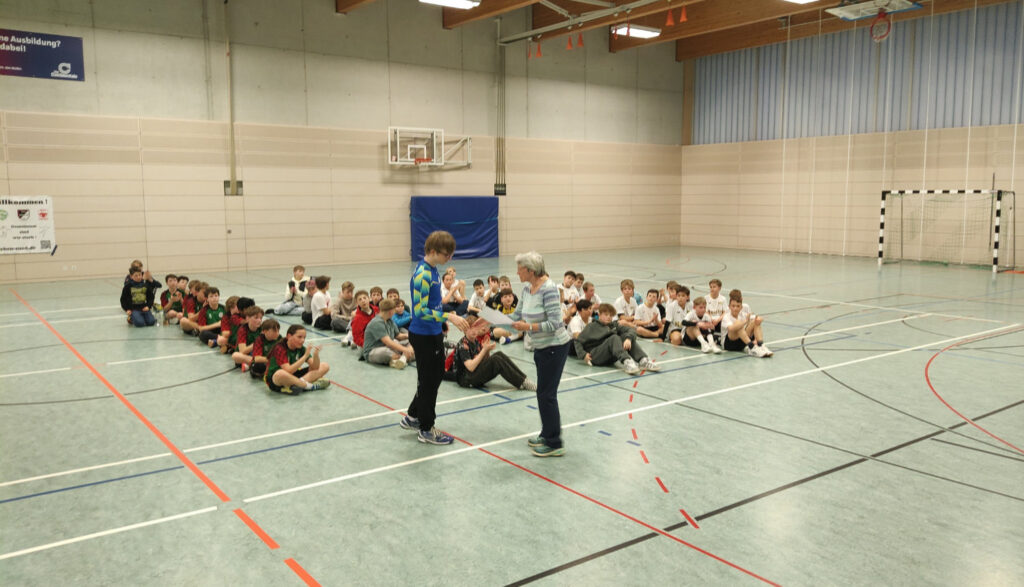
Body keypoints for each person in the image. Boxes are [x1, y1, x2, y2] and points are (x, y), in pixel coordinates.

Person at [400, 230, 469, 446]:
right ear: (432, 251)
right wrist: (449, 315)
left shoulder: (434, 270)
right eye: (445, 254)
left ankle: (413, 415)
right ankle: (426, 429)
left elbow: (433, 305)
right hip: (423, 335)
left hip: (434, 331)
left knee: (436, 375)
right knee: (429, 381)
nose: (448, 258)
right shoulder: (423, 275)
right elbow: (419, 311)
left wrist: (442, 320)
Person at [508, 251, 572, 457]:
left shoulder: (549, 289)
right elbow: (516, 315)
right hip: (541, 348)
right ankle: (547, 433)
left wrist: (528, 326)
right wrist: (489, 321)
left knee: (547, 395)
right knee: (542, 393)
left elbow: (555, 323)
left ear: (530, 270)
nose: (517, 272)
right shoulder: (527, 288)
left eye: (520, 268)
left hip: (555, 347)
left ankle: (555, 443)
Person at [574, 303, 662, 375]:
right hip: (596, 356)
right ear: (599, 315)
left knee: (625, 336)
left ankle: (643, 360)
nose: (609, 317)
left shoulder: (613, 325)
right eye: (606, 315)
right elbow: (577, 341)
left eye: (611, 315)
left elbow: (631, 330)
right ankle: (627, 361)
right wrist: (583, 355)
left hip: (610, 357)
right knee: (614, 337)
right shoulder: (591, 326)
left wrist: (628, 339)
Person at [451, 317, 536, 391]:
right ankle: (521, 382)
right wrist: (484, 350)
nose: (474, 331)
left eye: (476, 328)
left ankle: (524, 380)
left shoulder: (475, 341)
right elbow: (471, 367)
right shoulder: (463, 345)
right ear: (465, 330)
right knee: (496, 360)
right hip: (466, 379)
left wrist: (487, 350)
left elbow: (484, 361)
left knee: (498, 354)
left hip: (472, 374)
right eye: (470, 329)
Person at [265, 324, 332, 394]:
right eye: (299, 337)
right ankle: (309, 386)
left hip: (293, 377)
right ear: (289, 336)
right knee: (279, 374)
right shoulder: (280, 348)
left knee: (324, 366)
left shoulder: (301, 348)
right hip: (276, 381)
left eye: (304, 337)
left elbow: (315, 367)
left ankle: (297, 385)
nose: (303, 340)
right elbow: (288, 371)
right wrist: (305, 356)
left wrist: (316, 356)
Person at [362, 299, 415, 369]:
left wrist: (410, 336)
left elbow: (398, 336)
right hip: (373, 350)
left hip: (389, 347)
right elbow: (388, 342)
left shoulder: (390, 320)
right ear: (390, 311)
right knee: (385, 352)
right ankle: (404, 357)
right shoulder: (377, 323)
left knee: (413, 341)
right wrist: (405, 350)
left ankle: (402, 359)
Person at [722, 289, 773, 357]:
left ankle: (761, 346)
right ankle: (752, 347)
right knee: (738, 324)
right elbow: (731, 329)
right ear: (729, 307)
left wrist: (758, 320)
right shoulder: (726, 317)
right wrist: (745, 321)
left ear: (741, 307)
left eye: (738, 306)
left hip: (742, 342)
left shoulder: (743, 314)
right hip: (729, 345)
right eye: (733, 306)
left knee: (755, 322)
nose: (735, 308)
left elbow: (756, 319)